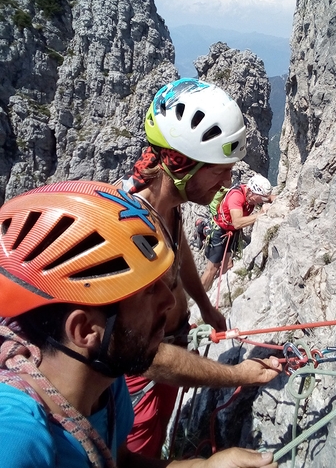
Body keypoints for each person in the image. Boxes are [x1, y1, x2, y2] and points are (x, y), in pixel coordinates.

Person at [0, 180, 279, 468]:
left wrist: (204, 466)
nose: (169, 302)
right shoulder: (18, 441)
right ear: (85, 330)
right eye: (148, 291)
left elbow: (121, 462)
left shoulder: (106, 381)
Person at [118, 78, 282, 457]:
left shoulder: (164, 205)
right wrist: (237, 375)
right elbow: (146, 356)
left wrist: (204, 306)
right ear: (181, 163)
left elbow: (180, 255)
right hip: (140, 386)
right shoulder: (128, 233)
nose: (227, 182)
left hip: (172, 349)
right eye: (219, 170)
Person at [201, 174, 273, 292]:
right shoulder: (236, 197)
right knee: (212, 268)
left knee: (227, 266)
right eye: (260, 199)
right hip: (220, 230)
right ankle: (200, 296)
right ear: (250, 191)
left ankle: (217, 291)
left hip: (232, 231)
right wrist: (260, 215)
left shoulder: (253, 195)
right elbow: (237, 223)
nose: (261, 201)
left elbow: (269, 197)